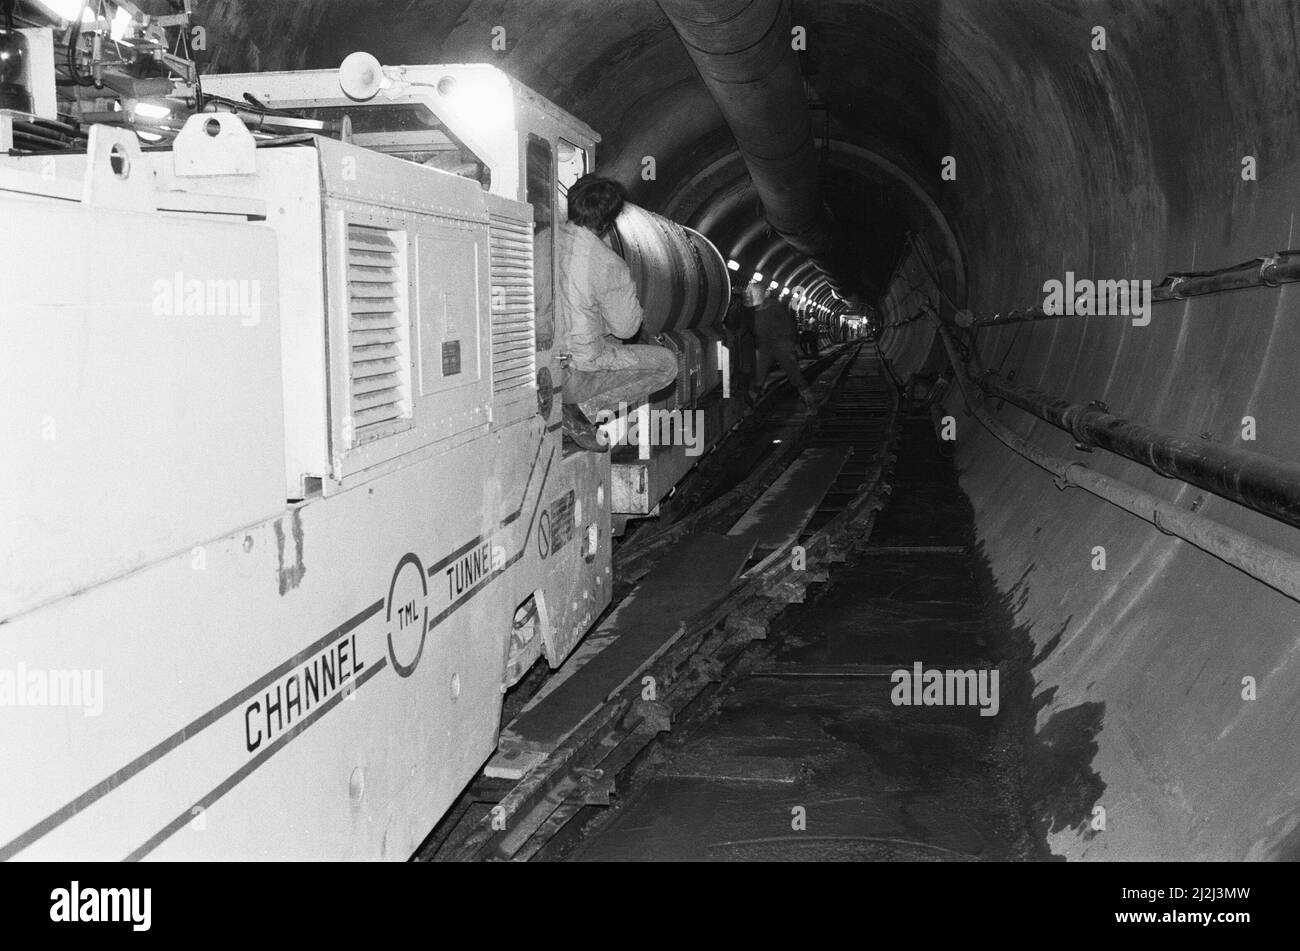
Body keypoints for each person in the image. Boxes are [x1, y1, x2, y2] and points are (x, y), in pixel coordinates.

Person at [555, 175, 679, 451]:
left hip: (544, 364)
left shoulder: (541, 241)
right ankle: (582, 412)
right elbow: (626, 328)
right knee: (667, 364)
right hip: (579, 371)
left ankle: (572, 411)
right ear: (608, 220)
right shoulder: (607, 262)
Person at [746, 283, 817, 412]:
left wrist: (790, 344)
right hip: (765, 346)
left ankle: (810, 403)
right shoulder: (755, 310)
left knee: (794, 374)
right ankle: (748, 408)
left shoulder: (773, 306)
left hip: (781, 345)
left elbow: (787, 325)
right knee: (758, 376)